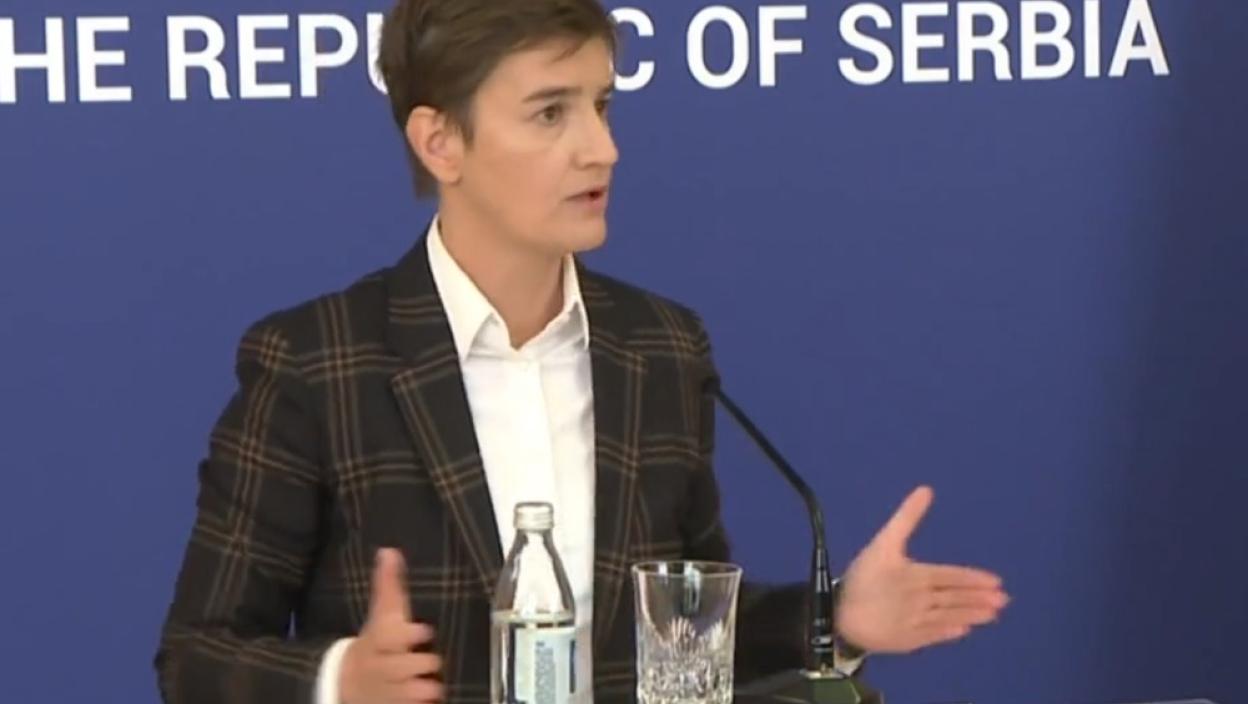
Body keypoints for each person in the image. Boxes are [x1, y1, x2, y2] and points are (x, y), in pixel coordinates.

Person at [154, 1, 1009, 702]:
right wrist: (341, 681)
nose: (602, 148)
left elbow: (683, 635)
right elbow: (196, 655)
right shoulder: (318, 362)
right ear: (440, 142)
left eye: (602, 105)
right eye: (550, 112)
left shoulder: (660, 348)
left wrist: (835, 618)